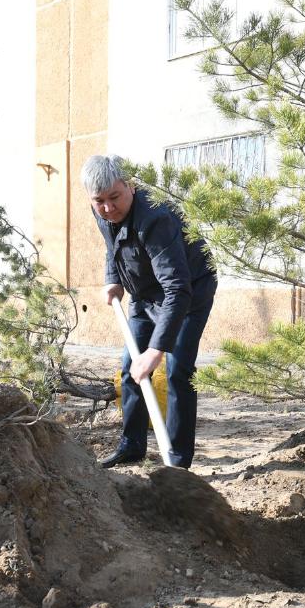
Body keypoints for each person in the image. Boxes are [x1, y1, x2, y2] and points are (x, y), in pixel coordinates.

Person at [84, 154, 218, 469]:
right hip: (144, 295)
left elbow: (177, 289)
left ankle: (178, 462)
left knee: (177, 371)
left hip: (188, 293)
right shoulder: (104, 212)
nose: (107, 208)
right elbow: (111, 246)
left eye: (114, 197)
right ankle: (132, 447)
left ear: (130, 185)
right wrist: (113, 279)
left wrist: (157, 350)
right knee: (131, 368)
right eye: (99, 201)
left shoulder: (156, 219)